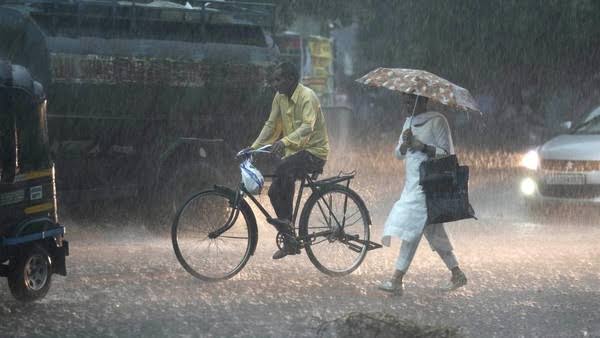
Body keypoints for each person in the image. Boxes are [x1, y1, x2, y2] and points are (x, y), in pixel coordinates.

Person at [377, 94, 467, 296]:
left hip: (428, 186)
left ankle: (397, 279)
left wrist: (423, 146)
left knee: (411, 228)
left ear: (423, 101)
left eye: (410, 102)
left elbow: (447, 154)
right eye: (404, 102)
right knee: (433, 231)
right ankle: (457, 274)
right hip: (411, 185)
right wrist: (404, 144)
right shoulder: (408, 122)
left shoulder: (437, 121)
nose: (406, 106)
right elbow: (398, 154)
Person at [249, 62, 330, 259]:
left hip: (314, 152)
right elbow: (271, 125)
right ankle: (289, 237)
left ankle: (288, 226)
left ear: (291, 80)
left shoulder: (307, 97)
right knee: (274, 191)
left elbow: (307, 127)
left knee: (284, 169)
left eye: (278, 79)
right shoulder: (279, 97)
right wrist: (252, 148)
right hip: (295, 154)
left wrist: (284, 141)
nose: (274, 84)